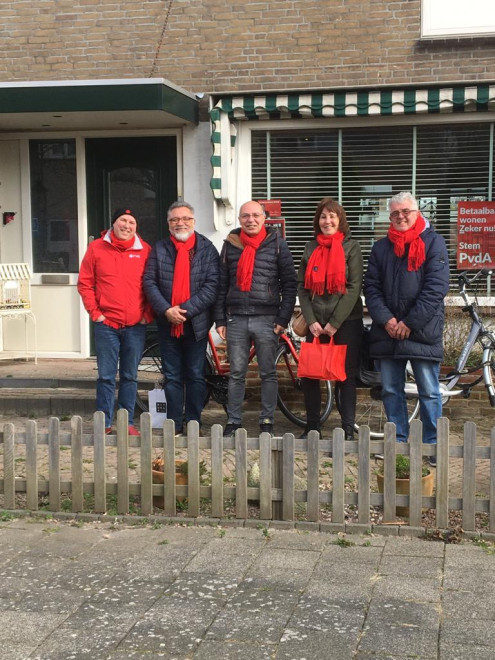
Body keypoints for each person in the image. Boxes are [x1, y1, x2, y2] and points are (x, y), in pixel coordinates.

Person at [364, 191, 450, 465]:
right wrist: (388, 320)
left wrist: (408, 323)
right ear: (389, 216)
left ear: (417, 213)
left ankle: (431, 446)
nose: (400, 216)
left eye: (406, 212)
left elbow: (436, 288)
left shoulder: (434, 243)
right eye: (395, 213)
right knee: (390, 389)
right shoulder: (380, 248)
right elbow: (372, 289)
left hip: (421, 331)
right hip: (387, 332)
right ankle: (397, 442)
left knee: (429, 391)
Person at [214, 200, 297, 436]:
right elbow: (222, 284)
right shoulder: (230, 244)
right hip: (236, 318)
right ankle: (233, 420)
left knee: (268, 373)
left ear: (263, 218)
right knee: (237, 372)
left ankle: (267, 420)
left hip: (268, 319)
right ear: (239, 220)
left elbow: (289, 285)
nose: (250, 220)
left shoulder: (277, 244)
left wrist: (283, 318)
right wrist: (219, 320)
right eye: (245, 216)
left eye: (255, 215)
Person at [143, 201, 219, 435]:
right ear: (169, 225)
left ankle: (193, 422)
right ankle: (174, 423)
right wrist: (167, 310)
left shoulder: (207, 249)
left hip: (195, 324)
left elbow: (212, 285)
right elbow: (149, 282)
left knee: (195, 375)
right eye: (175, 219)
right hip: (168, 324)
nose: (180, 223)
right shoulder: (160, 249)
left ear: (194, 222)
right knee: (173, 376)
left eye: (185, 218)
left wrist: (184, 311)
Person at [77, 208, 153, 436]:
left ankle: (127, 422)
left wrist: (146, 315)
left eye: (131, 221)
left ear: (136, 227)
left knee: (130, 376)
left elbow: (152, 285)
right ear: (113, 224)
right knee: (106, 376)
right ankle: (104, 422)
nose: (127, 225)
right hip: (106, 326)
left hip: (134, 327)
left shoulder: (145, 250)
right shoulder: (96, 248)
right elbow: (85, 283)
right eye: (123, 220)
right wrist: (96, 313)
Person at [297, 198, 363, 440]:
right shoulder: (309, 247)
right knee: (310, 374)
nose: (327, 221)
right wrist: (311, 319)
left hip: (346, 322)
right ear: (318, 220)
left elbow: (355, 286)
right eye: (323, 217)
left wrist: (334, 322)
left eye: (332, 216)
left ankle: (347, 428)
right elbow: (302, 288)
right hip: (315, 322)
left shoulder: (351, 247)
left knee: (345, 376)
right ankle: (312, 426)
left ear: (340, 219)